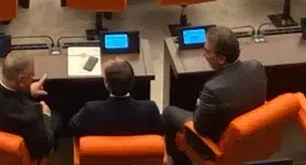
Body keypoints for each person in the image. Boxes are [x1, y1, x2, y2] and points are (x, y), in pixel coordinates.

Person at [163, 27, 266, 165]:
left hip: (218, 142)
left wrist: (200, 104)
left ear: (221, 59)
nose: (203, 55)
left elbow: (199, 128)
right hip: (252, 134)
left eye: (207, 51)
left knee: (168, 112)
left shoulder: (213, 88)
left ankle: (179, 161)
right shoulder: (257, 67)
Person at [0, 52, 53, 160]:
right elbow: (44, 147)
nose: (33, 79)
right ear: (21, 80)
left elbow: (4, 93)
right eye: (31, 76)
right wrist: (46, 115)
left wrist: (28, 90)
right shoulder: (30, 115)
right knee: (57, 117)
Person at [69, 59, 161, 137]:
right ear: (133, 82)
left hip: (102, 152)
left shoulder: (91, 110)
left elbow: (73, 126)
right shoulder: (150, 109)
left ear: (106, 84)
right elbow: (161, 130)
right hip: (140, 153)